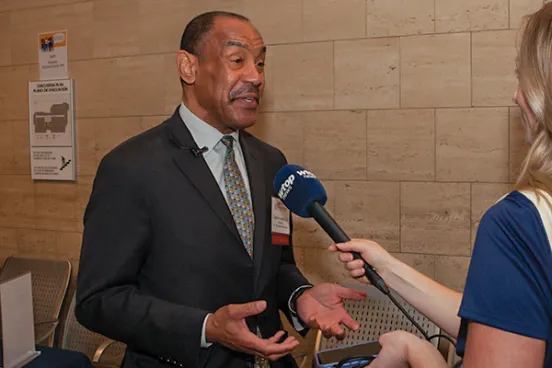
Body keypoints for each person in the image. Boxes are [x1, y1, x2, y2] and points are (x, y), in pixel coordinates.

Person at [75, 10, 366, 368]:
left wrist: (299, 296)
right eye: (237, 60)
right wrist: (206, 327)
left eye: (260, 64)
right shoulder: (131, 168)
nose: (256, 77)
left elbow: (274, 265)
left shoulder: (271, 163)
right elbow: (99, 301)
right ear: (188, 67)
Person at [330, 3, 552, 367]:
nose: (516, 95)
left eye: (523, 77)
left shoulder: (519, 222)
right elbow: (506, 325)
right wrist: (388, 269)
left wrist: (415, 352)